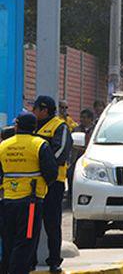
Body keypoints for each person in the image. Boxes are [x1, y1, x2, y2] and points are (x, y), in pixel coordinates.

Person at [0, 112, 57, 274]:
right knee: (26, 242)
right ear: (35, 127)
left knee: (8, 242)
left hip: (7, 202)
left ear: (17, 126)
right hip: (30, 204)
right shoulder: (40, 145)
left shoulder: (3, 145)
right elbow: (51, 173)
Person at [31, 96, 70, 274]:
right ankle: (30, 259)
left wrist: (44, 170)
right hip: (33, 185)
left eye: (36, 108)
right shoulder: (31, 125)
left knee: (52, 223)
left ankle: (54, 261)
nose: (33, 111)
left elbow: (60, 152)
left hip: (53, 184)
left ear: (44, 110)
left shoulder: (59, 126)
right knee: (32, 223)